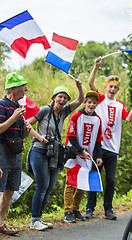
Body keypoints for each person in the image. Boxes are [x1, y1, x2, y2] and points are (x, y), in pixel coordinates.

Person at [84, 56, 132, 220]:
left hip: (113, 148)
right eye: (110, 86)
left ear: (118, 89)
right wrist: (96, 66)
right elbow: (90, 83)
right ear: (105, 87)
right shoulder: (100, 99)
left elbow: (128, 119)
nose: (113, 89)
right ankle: (90, 208)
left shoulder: (120, 105)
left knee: (110, 180)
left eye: (116, 87)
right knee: (94, 176)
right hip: (98, 146)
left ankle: (108, 209)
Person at [27, 80, 84, 231]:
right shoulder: (44, 110)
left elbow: (80, 100)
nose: (62, 100)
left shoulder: (63, 112)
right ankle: (34, 220)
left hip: (54, 154)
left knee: (50, 187)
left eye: (65, 98)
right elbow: (27, 124)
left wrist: (79, 87)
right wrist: (39, 137)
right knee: (42, 186)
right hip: (39, 151)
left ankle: (39, 219)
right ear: (54, 98)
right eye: (60, 97)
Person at [63, 91, 103, 223]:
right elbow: (71, 136)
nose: (91, 105)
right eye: (89, 102)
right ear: (84, 103)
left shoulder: (98, 120)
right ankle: (67, 211)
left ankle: (75, 209)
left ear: (97, 104)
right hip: (74, 154)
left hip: (87, 156)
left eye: (94, 103)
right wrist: (80, 151)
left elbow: (98, 140)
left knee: (82, 184)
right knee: (71, 183)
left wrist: (98, 156)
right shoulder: (76, 116)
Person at [0, 72, 31, 236]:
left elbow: (19, 136)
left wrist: (25, 131)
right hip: (2, 151)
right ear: (12, 88)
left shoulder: (19, 108)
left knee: (10, 190)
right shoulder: (2, 105)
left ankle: (1, 223)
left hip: (16, 152)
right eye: (22, 86)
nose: (25, 89)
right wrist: (13, 118)